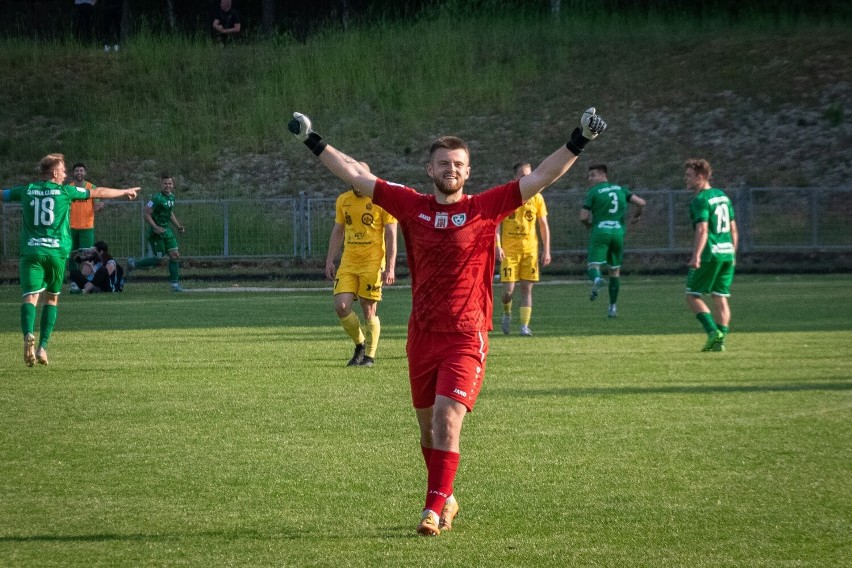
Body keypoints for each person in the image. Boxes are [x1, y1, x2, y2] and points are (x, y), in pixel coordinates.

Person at [289, 107, 607, 536]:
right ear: (430, 169)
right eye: (443, 163)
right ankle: (448, 496)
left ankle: (432, 510)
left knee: (446, 417)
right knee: (428, 430)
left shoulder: (486, 207)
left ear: (468, 171)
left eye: (458, 164)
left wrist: (579, 139)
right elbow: (352, 173)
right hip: (421, 336)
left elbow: (543, 177)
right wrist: (312, 137)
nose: (450, 169)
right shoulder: (410, 205)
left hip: (466, 335)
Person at [1, 153, 138, 366]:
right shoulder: (65, 192)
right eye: (63, 170)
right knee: (51, 299)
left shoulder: (26, 190)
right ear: (54, 172)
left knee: (30, 298)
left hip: (31, 254)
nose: (65, 174)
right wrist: (124, 191)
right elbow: (98, 192)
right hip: (55, 254)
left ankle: (28, 333)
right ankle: (43, 347)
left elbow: (3, 194)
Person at [325, 164, 398, 367]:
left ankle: (369, 357)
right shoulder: (343, 200)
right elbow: (338, 230)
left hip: (373, 263)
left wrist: (391, 266)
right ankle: (360, 344)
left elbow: (392, 235)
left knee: (369, 310)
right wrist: (330, 259)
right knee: (341, 306)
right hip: (349, 262)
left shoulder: (382, 201)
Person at [684, 158, 738, 352]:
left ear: (701, 177)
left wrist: (696, 256)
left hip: (709, 254)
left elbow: (702, 230)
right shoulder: (723, 197)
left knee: (692, 295)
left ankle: (713, 332)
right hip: (727, 254)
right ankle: (719, 342)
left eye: (689, 176)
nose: (686, 179)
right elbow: (734, 230)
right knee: (720, 297)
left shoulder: (701, 199)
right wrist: (733, 254)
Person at [580, 163, 645, 318]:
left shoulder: (594, 192)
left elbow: (583, 217)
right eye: (589, 176)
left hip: (601, 231)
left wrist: (589, 224)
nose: (590, 179)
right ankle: (612, 307)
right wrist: (636, 216)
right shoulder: (621, 189)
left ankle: (596, 279)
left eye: (593, 175)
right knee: (614, 270)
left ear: (603, 175)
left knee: (593, 265)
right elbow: (641, 203)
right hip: (618, 233)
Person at [496, 161, 551, 336]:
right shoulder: (507, 196)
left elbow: (543, 225)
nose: (528, 179)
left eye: (530, 175)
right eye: (523, 176)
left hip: (530, 251)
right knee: (508, 291)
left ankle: (524, 327)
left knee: (527, 289)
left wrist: (547, 250)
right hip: (509, 252)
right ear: (515, 178)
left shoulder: (537, 197)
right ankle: (506, 313)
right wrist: (497, 246)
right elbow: (496, 224)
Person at [127, 175, 186, 292]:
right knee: (157, 260)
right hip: (156, 233)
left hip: (167, 231)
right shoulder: (156, 198)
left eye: (170, 184)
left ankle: (174, 286)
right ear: (161, 185)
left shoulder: (172, 197)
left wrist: (178, 226)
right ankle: (133, 264)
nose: (168, 186)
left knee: (175, 255)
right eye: (165, 183)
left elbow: (169, 213)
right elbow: (146, 213)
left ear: (173, 185)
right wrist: (155, 227)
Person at [67, 162, 104, 289]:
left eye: (81, 171)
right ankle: (74, 281)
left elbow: (97, 204)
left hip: (87, 227)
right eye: (76, 171)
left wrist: (99, 207)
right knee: (71, 255)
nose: (79, 173)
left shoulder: (91, 187)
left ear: (85, 172)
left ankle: (84, 281)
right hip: (70, 228)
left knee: (87, 256)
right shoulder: (69, 188)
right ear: (73, 173)